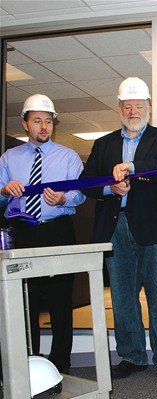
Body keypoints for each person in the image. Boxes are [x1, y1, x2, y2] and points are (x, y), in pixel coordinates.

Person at [79, 77, 157, 383]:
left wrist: (134, 168)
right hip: (116, 228)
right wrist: (109, 188)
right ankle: (132, 355)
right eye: (128, 106)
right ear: (119, 109)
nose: (134, 111)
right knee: (123, 296)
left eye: (139, 106)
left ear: (149, 108)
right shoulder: (103, 144)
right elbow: (88, 182)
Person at [0, 94, 85, 373]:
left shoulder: (68, 156)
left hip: (57, 231)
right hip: (23, 232)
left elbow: (80, 194)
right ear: (26, 124)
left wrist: (63, 199)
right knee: (28, 302)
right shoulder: (9, 159)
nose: (44, 127)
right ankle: (30, 365)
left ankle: (61, 365)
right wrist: (4, 191)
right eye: (37, 121)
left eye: (48, 121)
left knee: (61, 301)